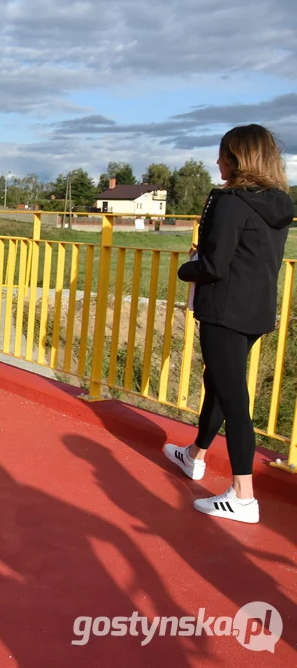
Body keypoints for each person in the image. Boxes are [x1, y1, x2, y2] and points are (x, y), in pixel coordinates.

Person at [164, 124, 293, 524]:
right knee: (221, 386)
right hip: (255, 312)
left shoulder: (231, 202)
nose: (217, 162)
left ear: (237, 159)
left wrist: (187, 268)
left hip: (223, 311)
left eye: (222, 155)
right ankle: (195, 456)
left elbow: (215, 265)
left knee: (234, 401)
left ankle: (243, 495)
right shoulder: (277, 203)